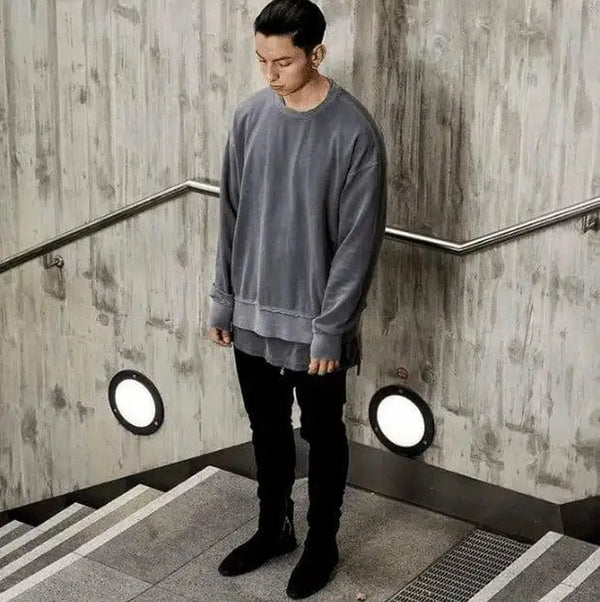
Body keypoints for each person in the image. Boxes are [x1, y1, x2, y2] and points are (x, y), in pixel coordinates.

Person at [207, 0, 387, 598]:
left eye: (282, 62)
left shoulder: (355, 133)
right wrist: (223, 300)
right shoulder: (249, 117)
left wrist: (331, 329)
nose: (270, 74)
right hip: (251, 315)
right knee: (266, 429)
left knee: (323, 434)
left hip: (314, 328)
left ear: (317, 53)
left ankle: (321, 543)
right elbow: (230, 215)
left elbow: (358, 246)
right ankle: (273, 529)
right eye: (261, 60)